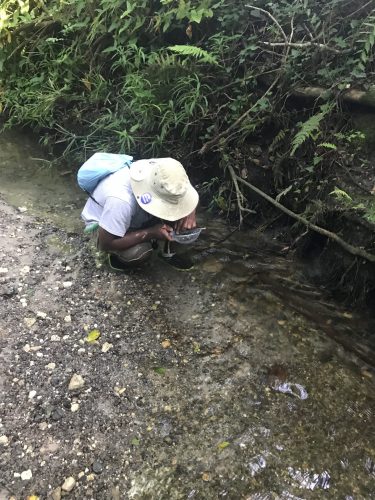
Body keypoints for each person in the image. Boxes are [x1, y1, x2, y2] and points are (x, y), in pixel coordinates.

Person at [81, 157, 199, 267]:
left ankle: (168, 253)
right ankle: (114, 259)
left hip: (131, 212)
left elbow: (181, 188)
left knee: (182, 215)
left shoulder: (163, 170)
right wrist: (150, 233)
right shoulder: (121, 201)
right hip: (106, 228)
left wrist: (190, 212)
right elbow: (105, 244)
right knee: (140, 252)